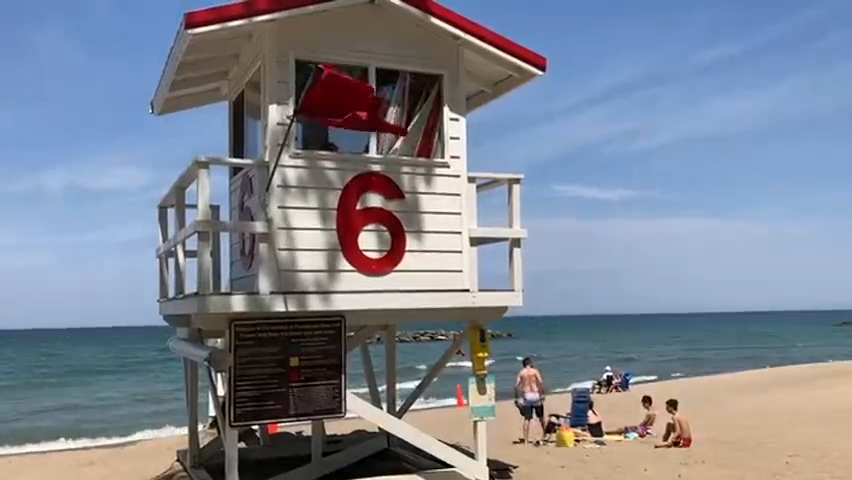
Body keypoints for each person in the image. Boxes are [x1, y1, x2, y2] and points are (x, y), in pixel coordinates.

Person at [515, 356, 546, 444]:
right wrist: (542, 394)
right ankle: (545, 435)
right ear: (530, 363)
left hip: (527, 395)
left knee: (527, 418)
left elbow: (516, 386)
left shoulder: (521, 373)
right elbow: (540, 382)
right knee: (541, 417)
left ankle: (525, 440)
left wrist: (516, 397)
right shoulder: (535, 371)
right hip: (536, 394)